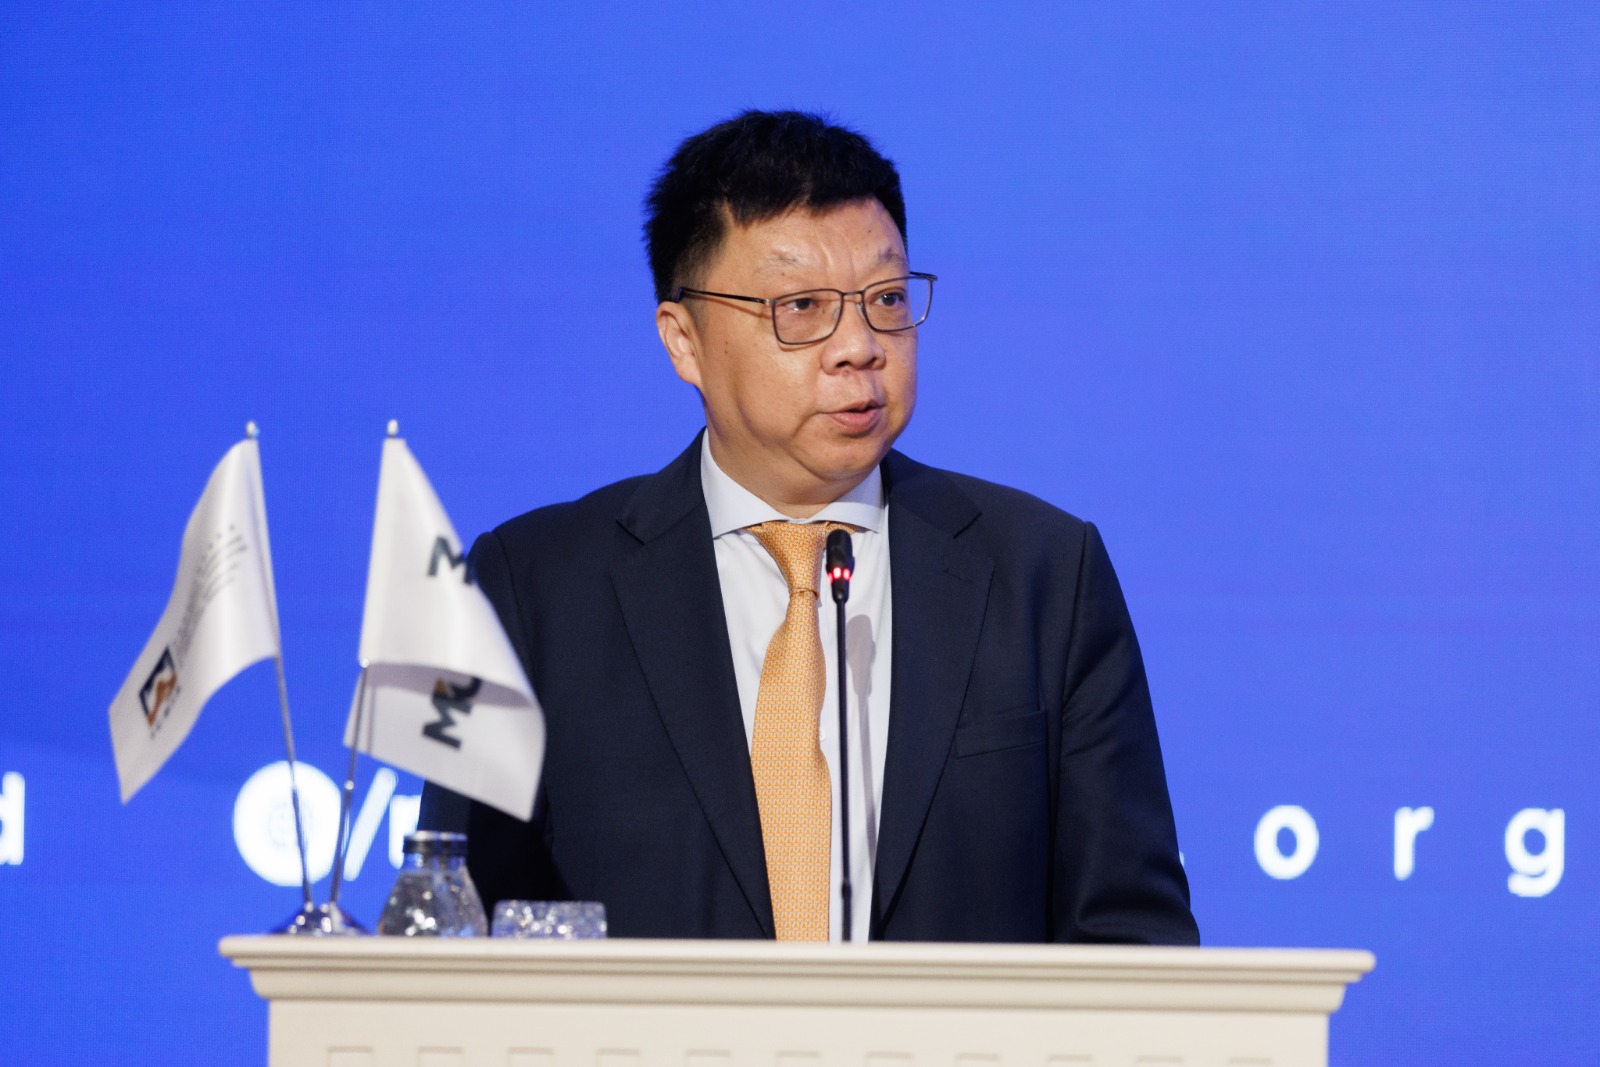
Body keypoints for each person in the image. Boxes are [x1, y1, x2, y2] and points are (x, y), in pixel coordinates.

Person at [422, 110, 1198, 945]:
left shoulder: (1045, 576)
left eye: (887, 299)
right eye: (801, 307)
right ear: (684, 342)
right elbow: (457, 927)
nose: (859, 346)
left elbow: (1132, 939)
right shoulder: (534, 590)